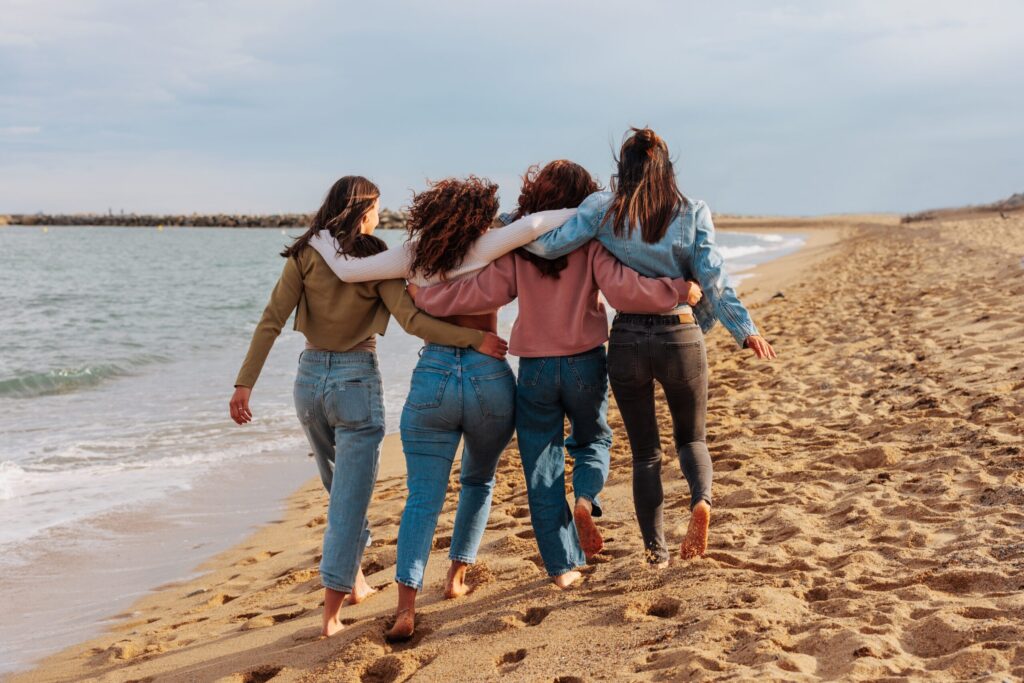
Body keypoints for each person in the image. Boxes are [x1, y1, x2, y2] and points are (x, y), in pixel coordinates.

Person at [228, 176, 507, 637]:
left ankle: (355, 582)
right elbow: (414, 322)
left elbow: (270, 320)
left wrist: (245, 383)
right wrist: (474, 337)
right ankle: (332, 616)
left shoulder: (304, 254)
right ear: (361, 211)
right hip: (355, 381)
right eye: (376, 207)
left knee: (338, 487)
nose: (380, 215)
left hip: (308, 382)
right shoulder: (375, 259)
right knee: (348, 502)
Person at [410, 160, 704, 589]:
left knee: (541, 469)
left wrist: (426, 297)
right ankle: (585, 499)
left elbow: (478, 292)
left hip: (535, 369)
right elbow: (624, 288)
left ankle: (564, 569)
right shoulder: (592, 243)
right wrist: (676, 290)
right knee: (594, 440)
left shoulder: (520, 250)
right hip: (585, 360)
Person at [523, 129, 777, 567]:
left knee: (645, 453)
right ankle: (701, 502)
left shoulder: (603, 209)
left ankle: (655, 552)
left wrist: (512, 225)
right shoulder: (692, 211)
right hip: (679, 332)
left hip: (627, 342)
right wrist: (744, 329)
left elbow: (550, 246)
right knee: (692, 438)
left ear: (623, 168)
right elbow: (713, 280)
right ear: (667, 168)